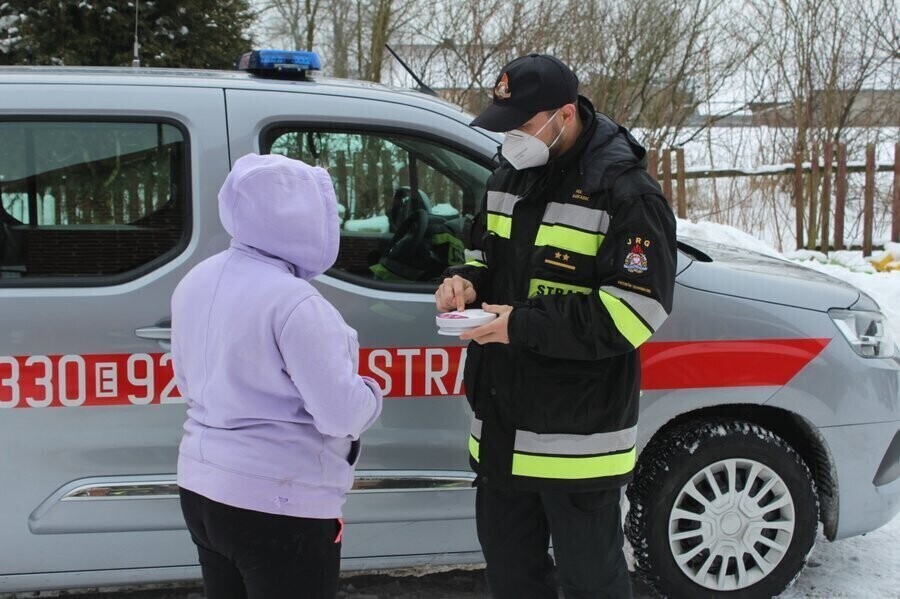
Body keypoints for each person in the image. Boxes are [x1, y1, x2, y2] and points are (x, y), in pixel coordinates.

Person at [435, 54, 677, 599]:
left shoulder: (627, 193)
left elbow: (635, 312)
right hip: (501, 428)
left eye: (518, 126)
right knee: (512, 578)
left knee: (592, 584)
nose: (508, 139)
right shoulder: (506, 175)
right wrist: (464, 281)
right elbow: (481, 254)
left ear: (564, 116)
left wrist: (521, 326)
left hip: (579, 442)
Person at [171, 153, 383, 599]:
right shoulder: (296, 303)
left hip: (202, 488)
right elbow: (341, 414)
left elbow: (188, 383)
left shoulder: (197, 280)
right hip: (279, 504)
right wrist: (370, 391)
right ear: (305, 220)